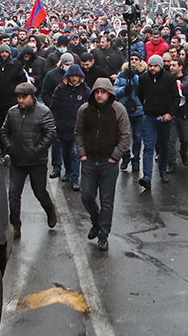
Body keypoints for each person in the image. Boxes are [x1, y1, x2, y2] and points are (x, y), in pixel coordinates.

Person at [75, 77, 132, 252]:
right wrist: (82, 154)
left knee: (107, 201)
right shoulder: (84, 110)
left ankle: (103, 235)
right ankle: (96, 221)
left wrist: (115, 156)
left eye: (103, 92)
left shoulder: (118, 110)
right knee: (87, 196)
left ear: (109, 93)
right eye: (97, 92)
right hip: (90, 161)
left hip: (109, 162)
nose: (100, 95)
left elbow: (125, 135)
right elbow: (78, 133)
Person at [1, 82, 58, 239]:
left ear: (32, 97)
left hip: (37, 162)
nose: (20, 100)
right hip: (17, 161)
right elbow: (4, 131)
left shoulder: (44, 112)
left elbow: (51, 134)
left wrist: (36, 150)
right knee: (13, 194)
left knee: (39, 192)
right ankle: (15, 227)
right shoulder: (12, 112)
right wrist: (9, 147)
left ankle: (50, 210)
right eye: (18, 97)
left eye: (24, 97)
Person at [137, 54, 177, 188]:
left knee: (164, 145)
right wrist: (146, 106)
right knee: (148, 146)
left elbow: (176, 98)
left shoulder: (169, 79)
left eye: (155, 66)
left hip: (164, 117)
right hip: (149, 116)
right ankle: (147, 177)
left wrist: (170, 113)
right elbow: (140, 93)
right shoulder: (143, 78)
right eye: (151, 66)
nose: (153, 68)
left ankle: (163, 170)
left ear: (160, 66)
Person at [50, 64, 90, 190]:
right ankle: (67, 172)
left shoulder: (85, 91)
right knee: (65, 152)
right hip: (62, 126)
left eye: (76, 76)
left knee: (75, 153)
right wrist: (56, 122)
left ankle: (75, 178)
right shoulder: (60, 89)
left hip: (77, 128)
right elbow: (54, 106)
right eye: (72, 76)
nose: (74, 79)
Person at [114, 55, 145, 172]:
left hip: (138, 110)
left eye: (136, 59)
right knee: (124, 135)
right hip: (124, 110)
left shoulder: (143, 74)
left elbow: (144, 88)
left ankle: (136, 159)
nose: (134, 61)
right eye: (132, 59)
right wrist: (124, 89)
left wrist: (135, 77)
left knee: (137, 136)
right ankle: (125, 156)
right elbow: (115, 89)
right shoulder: (121, 75)